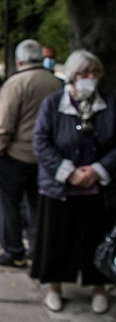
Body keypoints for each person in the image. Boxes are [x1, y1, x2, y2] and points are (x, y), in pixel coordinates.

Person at [31, 50, 116, 314]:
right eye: (83, 73)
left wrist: (98, 170)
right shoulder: (54, 103)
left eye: (94, 73)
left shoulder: (109, 104)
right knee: (55, 240)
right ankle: (54, 288)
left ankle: (99, 286)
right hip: (60, 189)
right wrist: (68, 172)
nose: (89, 78)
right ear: (72, 75)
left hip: (97, 189)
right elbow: (41, 141)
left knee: (96, 239)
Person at [0, 39, 62, 268]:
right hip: (46, 157)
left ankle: (14, 251)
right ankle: (38, 251)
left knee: (8, 205)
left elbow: (4, 123)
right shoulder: (56, 83)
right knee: (38, 207)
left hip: (16, 154)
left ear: (19, 60)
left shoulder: (16, 83)